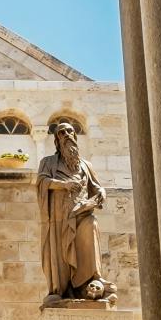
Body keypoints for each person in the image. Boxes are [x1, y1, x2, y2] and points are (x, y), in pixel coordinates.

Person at [36, 119, 115, 304]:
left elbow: (95, 187)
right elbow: (41, 182)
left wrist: (101, 193)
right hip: (60, 216)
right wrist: (64, 185)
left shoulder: (86, 165)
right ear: (56, 140)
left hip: (82, 212)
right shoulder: (48, 162)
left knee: (91, 225)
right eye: (62, 133)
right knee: (61, 252)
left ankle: (91, 281)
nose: (67, 135)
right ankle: (61, 289)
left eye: (70, 131)